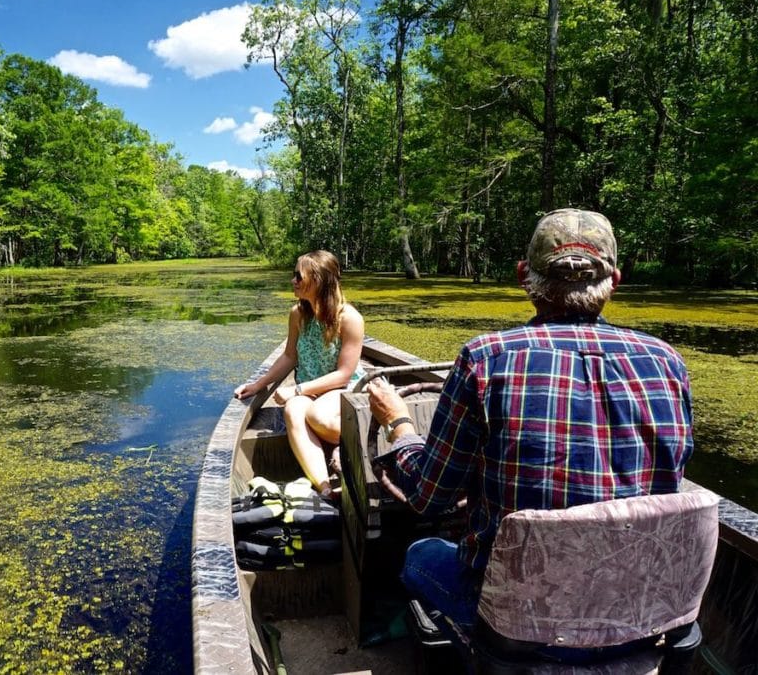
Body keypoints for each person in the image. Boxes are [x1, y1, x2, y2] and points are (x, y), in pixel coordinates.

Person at [368, 208, 694, 635]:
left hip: (518, 622)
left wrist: (399, 426)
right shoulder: (667, 362)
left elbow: (430, 498)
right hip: (640, 615)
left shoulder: (486, 360)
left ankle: (471, 648)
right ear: (614, 280)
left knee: (421, 553)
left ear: (525, 275)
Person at [234, 250, 365, 498]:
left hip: (343, 390)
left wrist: (296, 390)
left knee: (317, 416)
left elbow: (344, 375)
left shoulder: (350, 319)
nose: (292, 281)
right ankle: (325, 487)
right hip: (311, 390)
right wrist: (258, 384)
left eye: (298, 276)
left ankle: (348, 446)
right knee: (293, 410)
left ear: (318, 280)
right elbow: (289, 357)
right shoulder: (298, 314)